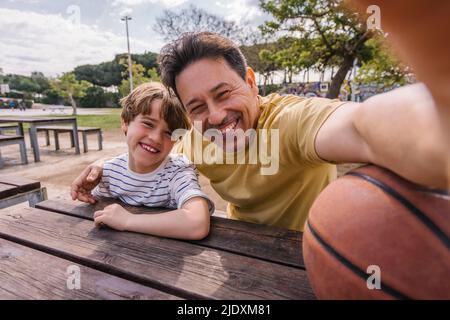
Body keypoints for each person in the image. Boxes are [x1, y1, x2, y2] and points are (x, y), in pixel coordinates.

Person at [72, 32, 447, 232]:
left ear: (251, 82)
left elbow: (364, 126)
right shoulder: (194, 141)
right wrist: (104, 165)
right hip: (240, 249)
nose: (216, 116)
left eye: (224, 93)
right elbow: (157, 157)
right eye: (197, 107)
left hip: (315, 251)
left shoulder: (288, 122)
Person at [87, 82, 214, 240]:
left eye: (169, 133)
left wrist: (128, 220)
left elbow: (197, 223)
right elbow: (93, 207)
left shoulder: (177, 172)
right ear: (125, 122)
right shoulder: (109, 172)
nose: (155, 138)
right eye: (148, 124)